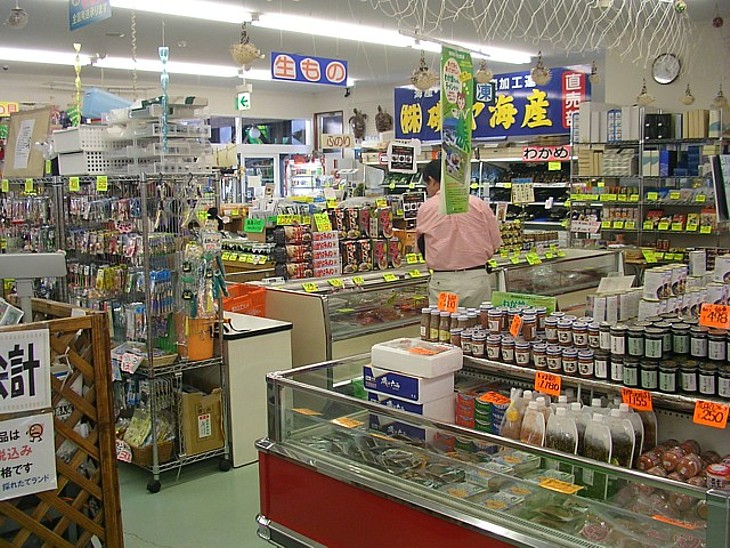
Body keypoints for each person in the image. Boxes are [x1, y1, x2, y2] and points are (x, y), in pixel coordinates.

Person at [416, 159, 502, 308]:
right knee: (478, 322)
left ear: (432, 180)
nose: (427, 189)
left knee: (445, 322)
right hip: (477, 278)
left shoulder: (427, 208)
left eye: (426, 185)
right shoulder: (479, 204)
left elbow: (421, 246)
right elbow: (495, 243)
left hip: (444, 282)